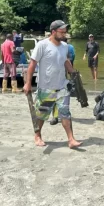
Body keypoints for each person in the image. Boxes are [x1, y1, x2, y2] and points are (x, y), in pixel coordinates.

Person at [23, 20, 82, 148]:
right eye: (62, 32)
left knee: (65, 113)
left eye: (65, 32)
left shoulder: (65, 46)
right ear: (53, 31)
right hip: (46, 87)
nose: (65, 34)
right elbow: (32, 64)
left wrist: (72, 72)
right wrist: (28, 84)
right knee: (42, 114)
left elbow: (65, 60)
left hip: (62, 86)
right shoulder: (42, 45)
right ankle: (37, 136)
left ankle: (71, 139)